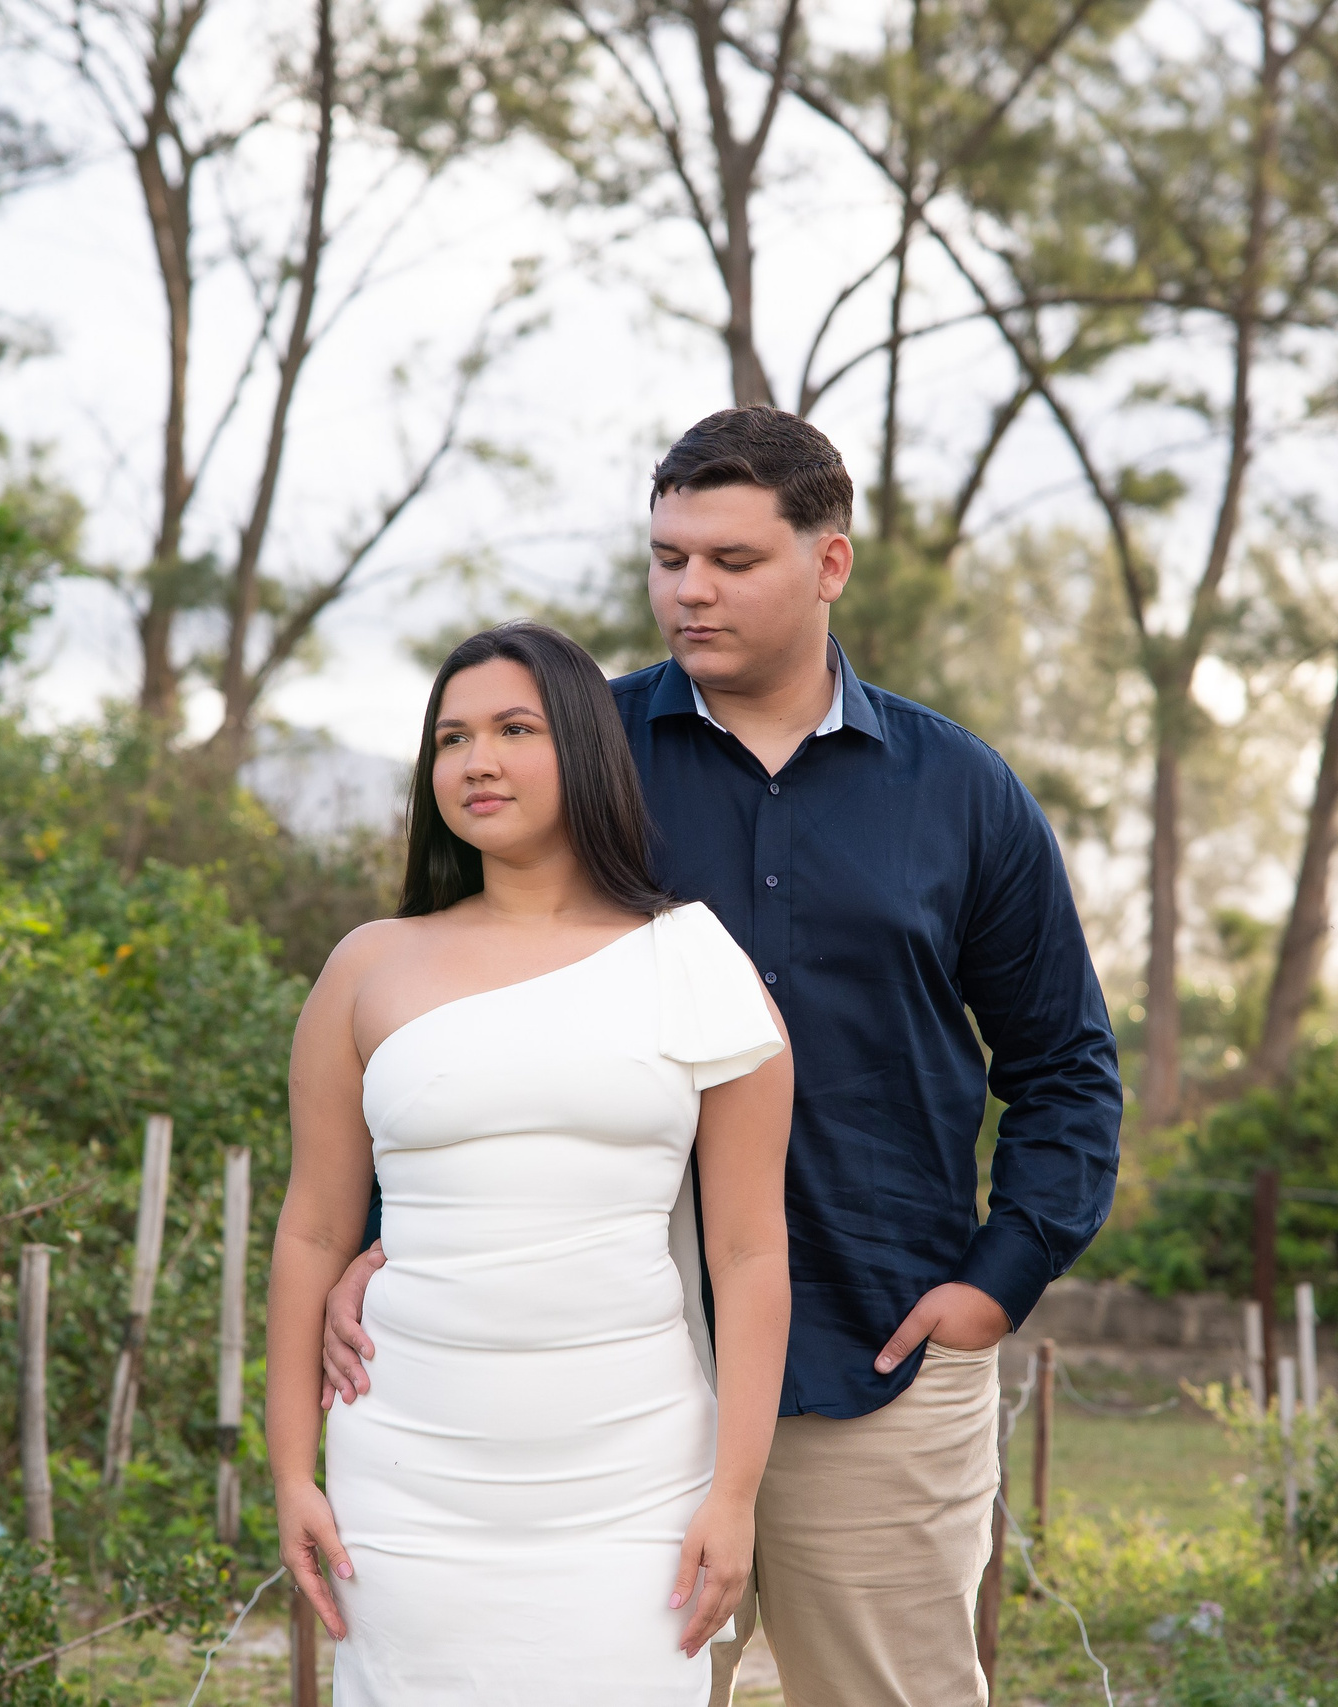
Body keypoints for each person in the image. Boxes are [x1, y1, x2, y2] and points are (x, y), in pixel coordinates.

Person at [323, 407, 1123, 1705]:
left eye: (731, 559)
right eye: (667, 555)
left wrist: (1001, 1271)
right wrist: (382, 1229)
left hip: (875, 1350)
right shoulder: (573, 759)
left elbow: (1068, 1062)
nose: (688, 589)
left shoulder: (961, 791)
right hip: (603, 1381)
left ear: (831, 561)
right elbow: (441, 1006)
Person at [267, 621, 797, 1705]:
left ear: (587, 753)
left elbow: (748, 1250)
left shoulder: (691, 958)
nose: (477, 761)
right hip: (407, 1472)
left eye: (515, 728)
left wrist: (734, 1494)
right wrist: (289, 1472)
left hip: (633, 1472)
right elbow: (312, 1232)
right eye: (451, 737)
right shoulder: (368, 967)